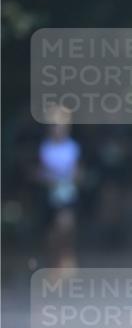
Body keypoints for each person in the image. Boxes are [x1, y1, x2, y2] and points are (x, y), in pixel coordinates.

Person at [35, 107, 83, 270]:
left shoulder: (73, 147)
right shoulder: (44, 147)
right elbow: (38, 172)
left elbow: (77, 171)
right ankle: (53, 261)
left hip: (67, 192)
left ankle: (67, 255)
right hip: (49, 193)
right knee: (51, 233)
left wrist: (73, 178)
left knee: (66, 225)